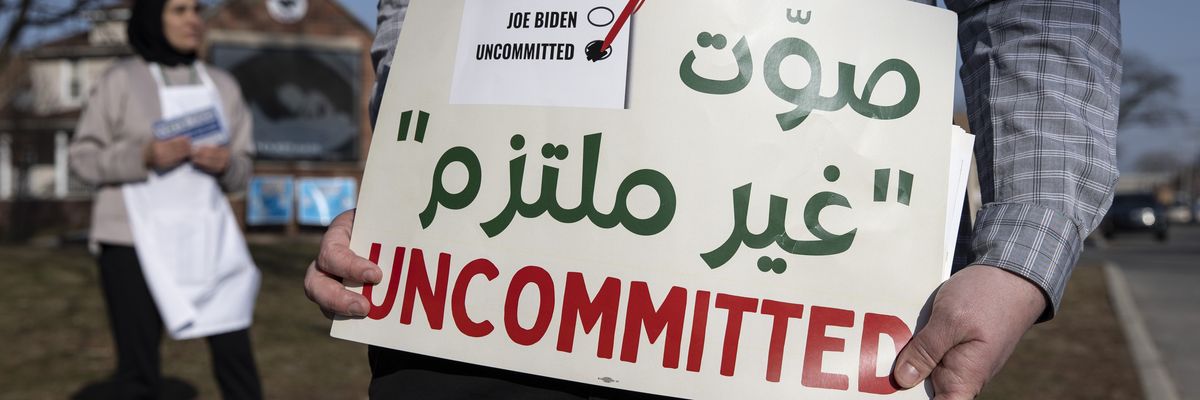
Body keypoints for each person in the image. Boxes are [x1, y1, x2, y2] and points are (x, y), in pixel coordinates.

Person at [304, 0, 1122, 398]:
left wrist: (1026, 247)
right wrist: (406, 195)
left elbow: (1037, 15)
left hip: (813, 307)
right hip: (485, 297)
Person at [69, 0, 263, 398]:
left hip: (207, 239)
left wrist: (227, 164)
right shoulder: (120, 80)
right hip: (131, 242)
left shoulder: (223, 85)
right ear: (152, 18)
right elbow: (81, 159)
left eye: (196, 9)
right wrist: (142, 156)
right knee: (138, 369)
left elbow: (244, 167)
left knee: (235, 355)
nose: (193, 20)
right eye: (178, 10)